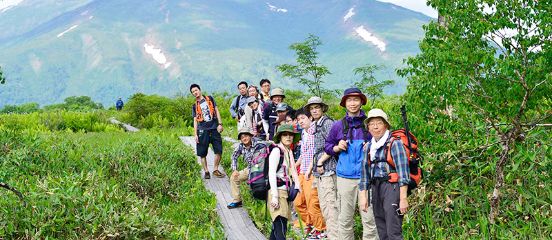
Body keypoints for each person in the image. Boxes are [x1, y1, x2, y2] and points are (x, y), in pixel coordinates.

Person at [324, 88, 378, 240]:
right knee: (345, 219)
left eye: (356, 99)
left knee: (370, 220)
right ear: (345, 103)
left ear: (361, 102)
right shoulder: (337, 126)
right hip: (345, 178)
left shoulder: (369, 124)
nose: (353, 103)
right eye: (349, 100)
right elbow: (328, 146)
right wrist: (337, 147)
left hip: (367, 178)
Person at [359, 109, 409, 240]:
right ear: (368, 127)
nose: (375, 127)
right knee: (381, 228)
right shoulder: (368, 147)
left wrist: (403, 199)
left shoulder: (395, 143)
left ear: (385, 125)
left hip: (392, 188)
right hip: (376, 187)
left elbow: (403, 173)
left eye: (379, 123)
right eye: (372, 123)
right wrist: (363, 197)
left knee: (393, 230)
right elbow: (364, 173)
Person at [304, 96, 339, 240]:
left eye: (317, 107)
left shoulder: (327, 123)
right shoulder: (317, 124)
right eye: (312, 108)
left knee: (331, 209)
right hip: (320, 173)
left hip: (328, 170)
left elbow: (334, 145)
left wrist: (320, 162)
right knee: (325, 209)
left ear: (322, 108)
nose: (314, 110)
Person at [293, 109, 326, 239]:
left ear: (310, 118)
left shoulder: (315, 132)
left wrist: (309, 169)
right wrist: (294, 166)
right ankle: (310, 223)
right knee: (298, 202)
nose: (300, 121)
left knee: (312, 202)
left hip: (311, 173)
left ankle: (321, 229)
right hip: (303, 171)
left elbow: (317, 153)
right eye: (298, 119)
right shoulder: (304, 133)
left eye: (303, 118)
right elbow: (304, 153)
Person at [268, 124, 301, 240]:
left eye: (290, 135)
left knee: (277, 228)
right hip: (277, 192)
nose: (288, 137)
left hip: (285, 192)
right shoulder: (277, 151)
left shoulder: (288, 151)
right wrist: (275, 196)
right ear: (280, 137)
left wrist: (297, 186)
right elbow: (271, 173)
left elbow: (292, 170)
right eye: (285, 135)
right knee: (280, 228)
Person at [227, 127, 269, 209]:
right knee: (234, 177)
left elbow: (270, 145)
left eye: (246, 136)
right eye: (242, 137)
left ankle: (262, 201)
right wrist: (235, 169)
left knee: (254, 181)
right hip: (250, 168)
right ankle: (237, 200)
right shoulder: (241, 146)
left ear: (250, 136)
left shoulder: (258, 143)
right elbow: (234, 156)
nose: (244, 138)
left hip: (261, 168)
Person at [190, 84, 225, 179]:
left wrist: (220, 124)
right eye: (193, 92)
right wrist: (195, 134)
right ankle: (206, 171)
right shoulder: (194, 106)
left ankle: (215, 169)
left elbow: (217, 111)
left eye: (196, 90)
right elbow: (195, 120)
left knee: (218, 149)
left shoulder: (210, 98)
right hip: (202, 130)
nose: (195, 92)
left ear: (200, 90)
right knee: (202, 152)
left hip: (214, 128)